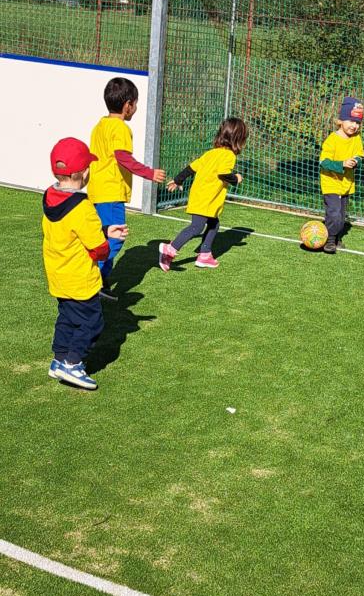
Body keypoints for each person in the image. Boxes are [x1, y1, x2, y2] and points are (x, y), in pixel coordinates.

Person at [42, 137, 128, 390]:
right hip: (80, 279)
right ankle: (73, 363)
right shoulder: (83, 206)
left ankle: (58, 359)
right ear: (83, 173)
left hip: (58, 275)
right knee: (92, 321)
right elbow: (98, 248)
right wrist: (106, 243)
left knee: (67, 317)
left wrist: (105, 229)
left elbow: (74, 230)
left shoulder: (50, 197)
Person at [87, 77, 165, 300]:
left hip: (96, 191)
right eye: (136, 104)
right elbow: (123, 158)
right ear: (128, 105)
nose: (136, 108)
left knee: (102, 235)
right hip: (111, 193)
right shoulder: (120, 128)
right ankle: (92, 280)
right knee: (116, 238)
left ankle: (99, 282)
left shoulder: (99, 126)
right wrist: (149, 173)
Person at [159, 117, 248, 271]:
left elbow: (191, 168)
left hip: (203, 196)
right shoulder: (229, 156)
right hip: (206, 198)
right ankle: (169, 249)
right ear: (238, 139)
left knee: (214, 224)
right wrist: (236, 178)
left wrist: (178, 180)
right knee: (196, 227)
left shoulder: (211, 153)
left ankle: (205, 255)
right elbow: (223, 174)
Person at [319, 97, 364, 254]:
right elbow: (323, 162)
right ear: (341, 121)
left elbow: (359, 155)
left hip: (346, 184)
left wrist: (356, 161)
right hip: (331, 183)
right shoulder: (332, 140)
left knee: (341, 214)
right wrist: (341, 164)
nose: (354, 125)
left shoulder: (356, 138)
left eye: (357, 122)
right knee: (333, 212)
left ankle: (337, 237)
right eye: (351, 121)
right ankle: (329, 240)